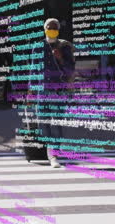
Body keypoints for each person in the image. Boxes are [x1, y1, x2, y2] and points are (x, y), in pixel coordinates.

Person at [28, 18, 76, 168]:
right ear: (44, 29)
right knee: (44, 124)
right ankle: (51, 152)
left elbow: (70, 70)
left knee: (56, 124)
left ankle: (54, 155)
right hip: (42, 92)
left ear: (58, 30)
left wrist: (60, 58)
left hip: (58, 92)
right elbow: (34, 70)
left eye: (55, 27)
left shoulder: (64, 47)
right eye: (49, 27)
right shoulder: (38, 47)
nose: (52, 29)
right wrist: (31, 90)